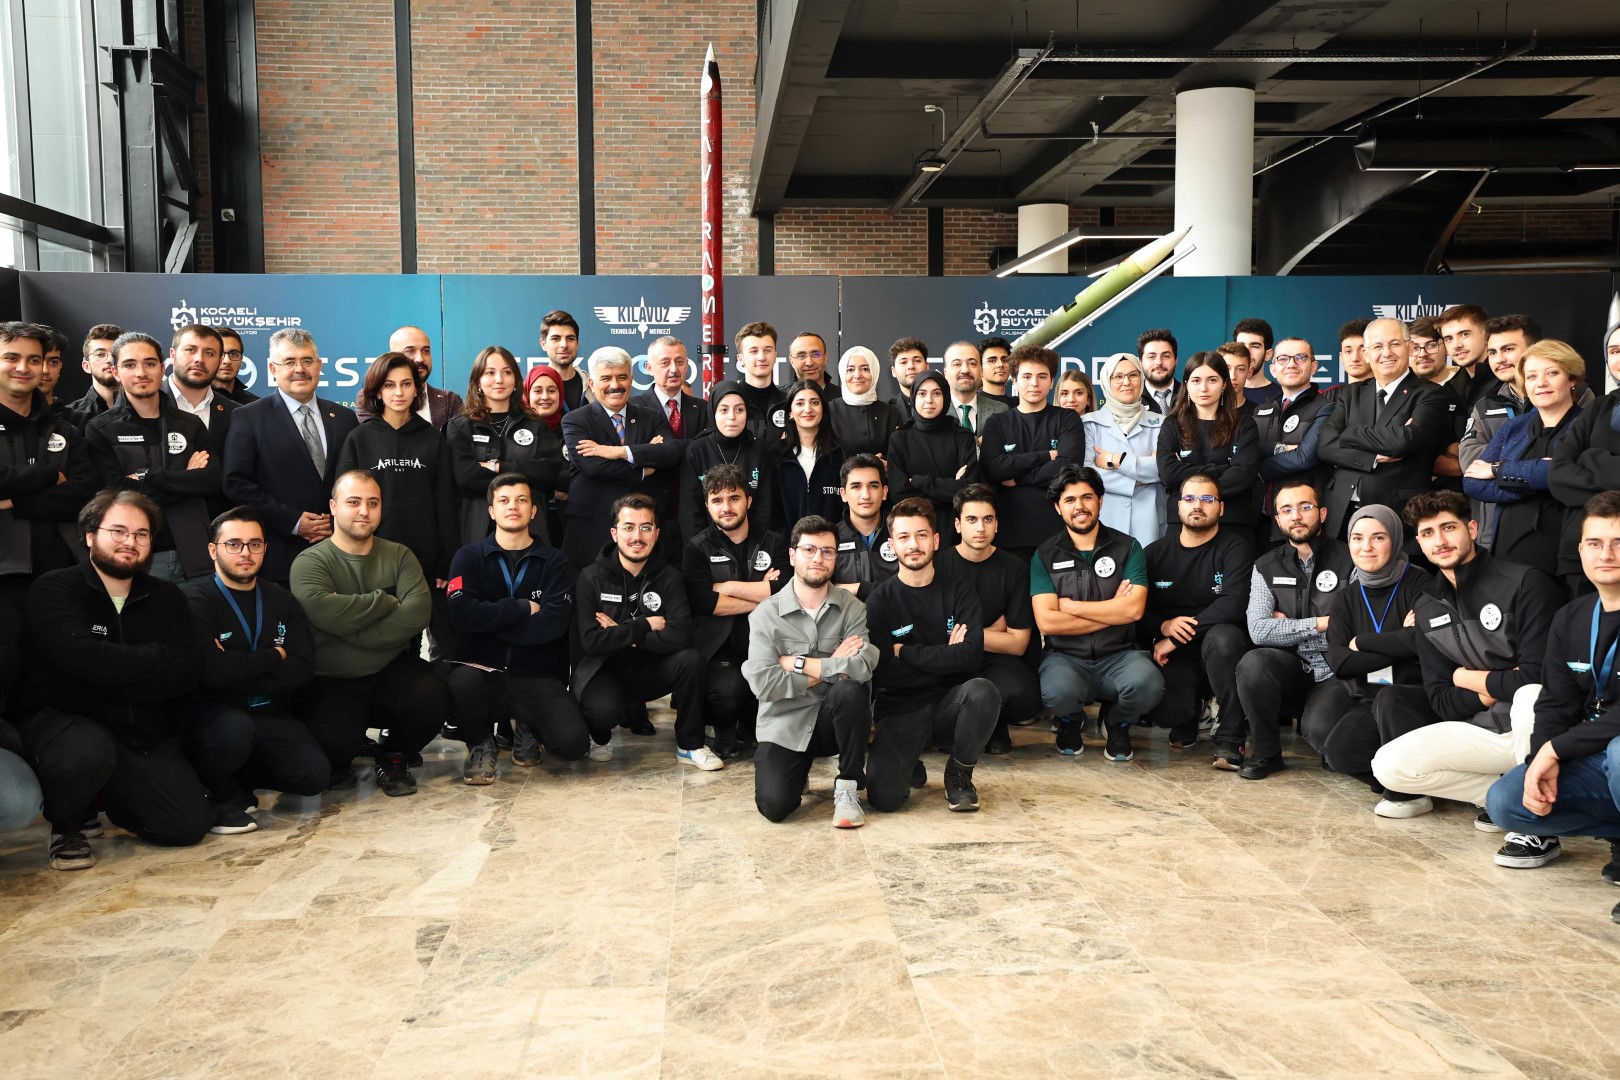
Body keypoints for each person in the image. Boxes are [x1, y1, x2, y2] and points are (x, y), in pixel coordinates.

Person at [14, 490, 211, 869]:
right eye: (118, 531)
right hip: (68, 727)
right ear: (90, 535)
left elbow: (187, 672)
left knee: (185, 827)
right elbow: (79, 661)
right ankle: (68, 823)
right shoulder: (55, 588)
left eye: (141, 534)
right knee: (85, 751)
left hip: (139, 732)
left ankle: (109, 796)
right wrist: (157, 657)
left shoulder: (168, 597)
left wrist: (106, 666)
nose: (130, 542)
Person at [1366, 491, 1560, 837]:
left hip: (1538, 731)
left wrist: (1463, 677)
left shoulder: (1525, 582)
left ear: (1471, 528)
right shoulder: (1427, 607)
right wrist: (1492, 684)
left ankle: (1532, 827)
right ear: (1419, 543)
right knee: (1389, 766)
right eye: (1428, 533)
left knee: (1529, 696)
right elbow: (1441, 699)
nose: (1439, 541)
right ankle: (1503, 797)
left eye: (1448, 528)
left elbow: (1536, 676)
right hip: (1484, 734)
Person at [1485, 491, 1620, 915]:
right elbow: (1556, 702)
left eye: (1619, 543)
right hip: (1593, 753)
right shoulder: (1572, 616)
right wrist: (1538, 761)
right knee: (1506, 802)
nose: (1607, 554)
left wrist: (1556, 749)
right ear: (1580, 551)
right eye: (1595, 543)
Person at [291, 470, 448, 795]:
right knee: (332, 749)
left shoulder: (400, 555)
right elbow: (324, 612)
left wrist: (349, 629)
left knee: (433, 694)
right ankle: (346, 752)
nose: (364, 511)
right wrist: (385, 600)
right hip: (334, 681)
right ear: (333, 507)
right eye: (354, 502)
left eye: (372, 503)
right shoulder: (309, 563)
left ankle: (393, 756)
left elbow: (417, 614)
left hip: (391, 673)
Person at [179, 507, 326, 832]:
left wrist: (236, 667)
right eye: (234, 544)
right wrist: (275, 656)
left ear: (264, 549)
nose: (245, 552)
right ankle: (217, 793)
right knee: (234, 731)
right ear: (213, 550)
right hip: (215, 714)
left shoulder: (282, 599)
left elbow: (303, 667)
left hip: (267, 710)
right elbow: (211, 672)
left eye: (254, 544)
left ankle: (241, 779)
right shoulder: (195, 601)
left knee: (313, 776)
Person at [444, 473, 586, 783]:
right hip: (481, 672)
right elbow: (460, 615)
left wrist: (489, 624)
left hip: (535, 674)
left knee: (573, 745)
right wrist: (520, 609)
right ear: (492, 511)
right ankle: (481, 743)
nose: (513, 506)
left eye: (521, 500)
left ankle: (527, 726)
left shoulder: (555, 561)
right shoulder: (468, 557)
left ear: (533, 511)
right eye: (504, 500)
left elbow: (554, 624)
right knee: (461, 681)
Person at [742, 514, 879, 826]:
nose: (818, 558)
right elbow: (764, 683)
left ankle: (848, 786)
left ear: (835, 557)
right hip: (785, 723)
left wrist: (798, 663)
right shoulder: (765, 614)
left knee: (851, 690)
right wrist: (834, 664)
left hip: (834, 722)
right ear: (792, 555)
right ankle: (796, 772)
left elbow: (863, 665)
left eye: (827, 551)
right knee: (774, 807)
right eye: (809, 550)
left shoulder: (853, 608)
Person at [864, 497, 998, 812]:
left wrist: (905, 652)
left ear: (936, 541)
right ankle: (910, 761)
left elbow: (970, 658)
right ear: (892, 546)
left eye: (921, 535)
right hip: (900, 709)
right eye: (904, 537)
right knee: (884, 800)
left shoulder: (960, 592)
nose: (913, 545)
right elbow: (883, 671)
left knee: (982, 691)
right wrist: (946, 656)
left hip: (948, 706)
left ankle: (959, 773)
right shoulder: (879, 601)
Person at [573, 493, 717, 769]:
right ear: (614, 533)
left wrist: (625, 637)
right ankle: (599, 738)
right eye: (628, 527)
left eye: (646, 527)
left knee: (691, 660)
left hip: (652, 669)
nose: (637, 537)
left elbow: (681, 635)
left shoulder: (670, 576)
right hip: (605, 671)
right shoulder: (591, 578)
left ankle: (690, 745)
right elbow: (592, 642)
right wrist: (645, 625)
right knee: (602, 711)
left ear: (657, 533)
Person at [1033, 465, 1162, 762]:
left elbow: (1134, 610)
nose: (1079, 506)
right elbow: (1047, 622)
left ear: (1100, 501)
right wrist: (1112, 609)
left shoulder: (1128, 548)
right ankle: (1070, 720)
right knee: (1056, 692)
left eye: (1087, 497)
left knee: (1149, 684)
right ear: (1058, 508)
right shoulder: (1044, 555)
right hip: (1065, 657)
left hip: (1120, 654)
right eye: (1069, 500)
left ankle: (1117, 722)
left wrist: (1072, 607)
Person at [337, 352, 460, 660]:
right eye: (389, 385)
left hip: (424, 562)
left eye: (406, 384)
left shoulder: (433, 439)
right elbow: (345, 506)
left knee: (432, 647)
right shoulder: (359, 438)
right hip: (371, 560)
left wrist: (446, 562)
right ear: (377, 391)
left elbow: (445, 503)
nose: (399, 392)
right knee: (382, 648)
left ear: (417, 390)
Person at [0, 322, 96, 708]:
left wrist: (15, 502)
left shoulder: (67, 429)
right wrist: (48, 476)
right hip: (3, 578)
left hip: (59, 575)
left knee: (55, 685)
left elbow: (84, 493)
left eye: (34, 359)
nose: (24, 367)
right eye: (11, 357)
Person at [1233, 481, 1356, 779]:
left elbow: (1354, 625)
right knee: (1254, 663)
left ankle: (1329, 736)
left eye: (1305, 507)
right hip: (1294, 667)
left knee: (1323, 736)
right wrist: (1321, 622)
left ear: (1322, 513)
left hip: (1337, 672)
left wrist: (1285, 625)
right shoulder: (1265, 566)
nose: (1296, 516)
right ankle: (1266, 754)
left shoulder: (1352, 559)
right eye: (1286, 510)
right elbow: (1259, 630)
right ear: (1277, 520)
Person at [222, 327, 359, 583]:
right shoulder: (248, 417)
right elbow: (236, 483)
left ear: (319, 366)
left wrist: (337, 521)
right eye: (289, 362)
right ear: (272, 369)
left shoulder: (345, 418)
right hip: (279, 555)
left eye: (307, 360)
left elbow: (356, 479)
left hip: (340, 553)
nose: (300, 369)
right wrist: (293, 521)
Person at [85, 331, 220, 581]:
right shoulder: (101, 428)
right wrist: (185, 479)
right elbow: (114, 492)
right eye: (129, 365)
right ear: (115, 372)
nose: (141, 372)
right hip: (135, 557)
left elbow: (211, 481)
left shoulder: (190, 424)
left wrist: (147, 476)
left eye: (149, 363)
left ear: (162, 367)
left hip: (195, 553)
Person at [1143, 474, 1253, 765]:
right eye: (1190, 498)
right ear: (1178, 506)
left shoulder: (1236, 548)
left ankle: (1231, 736)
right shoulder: (1154, 553)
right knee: (1167, 712)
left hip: (1220, 648)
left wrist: (1175, 638)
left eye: (1207, 499)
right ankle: (1191, 713)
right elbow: (1137, 612)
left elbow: (1233, 603)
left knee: (1223, 638)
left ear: (1221, 508)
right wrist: (1164, 627)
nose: (1198, 505)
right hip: (1176, 654)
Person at [1320, 504, 1432, 790]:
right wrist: (1401, 640)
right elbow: (1341, 663)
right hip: (1371, 699)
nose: (1366, 547)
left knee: (1390, 698)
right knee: (1338, 752)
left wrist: (1361, 642)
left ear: (1395, 539)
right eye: (1357, 538)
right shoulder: (1346, 597)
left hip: (1418, 697)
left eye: (1378, 537)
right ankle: (1398, 784)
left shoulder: (1420, 582)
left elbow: (1421, 642)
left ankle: (1406, 791)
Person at [682, 464, 789, 758]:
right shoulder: (696, 548)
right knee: (727, 694)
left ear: (748, 501)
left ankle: (747, 726)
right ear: (707, 505)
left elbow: (785, 592)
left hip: (771, 647)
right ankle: (724, 725)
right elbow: (704, 603)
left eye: (734, 498)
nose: (726, 507)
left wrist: (727, 586)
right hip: (721, 651)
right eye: (717, 500)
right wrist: (761, 593)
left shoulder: (775, 542)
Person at [1318, 318, 1452, 540]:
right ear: (1367, 354)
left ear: (1410, 348)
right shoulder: (1350, 393)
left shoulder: (1431, 394)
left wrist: (1350, 432)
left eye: (1394, 344)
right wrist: (1371, 458)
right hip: (1340, 511)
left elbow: (1404, 441)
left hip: (1397, 511)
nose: (1386, 353)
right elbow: (1325, 446)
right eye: (1378, 346)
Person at [1462, 339, 1585, 572]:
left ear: (1572, 379)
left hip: (1567, 548)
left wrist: (1498, 470)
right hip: (1508, 547)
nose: (1541, 383)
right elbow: (1472, 483)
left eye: (1552, 373)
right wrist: (1534, 483)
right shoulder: (1514, 426)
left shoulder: (1589, 424)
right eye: (1531, 376)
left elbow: (1567, 472)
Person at [559, 346, 680, 569]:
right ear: (591, 383)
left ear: (631, 380)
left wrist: (620, 452)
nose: (615, 385)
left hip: (644, 536)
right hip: (592, 533)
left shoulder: (651, 417)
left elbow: (670, 453)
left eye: (622, 377)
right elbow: (593, 467)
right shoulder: (575, 420)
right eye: (606, 378)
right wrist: (644, 468)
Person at [939, 485, 1040, 752]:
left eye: (987, 519)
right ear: (958, 525)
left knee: (1025, 694)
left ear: (997, 524)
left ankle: (993, 721)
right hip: (949, 659)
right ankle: (963, 727)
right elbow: (934, 635)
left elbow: (1018, 643)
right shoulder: (938, 565)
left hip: (994, 661)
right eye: (972, 519)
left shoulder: (1014, 568)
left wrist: (966, 635)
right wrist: (990, 633)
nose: (980, 528)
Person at [446, 346, 561, 547]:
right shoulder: (460, 426)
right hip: (475, 532)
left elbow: (548, 472)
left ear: (516, 380)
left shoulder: (535, 424)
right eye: (490, 373)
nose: (499, 379)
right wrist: (524, 473)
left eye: (507, 372)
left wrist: (495, 466)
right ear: (478, 381)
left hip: (530, 533)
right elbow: (466, 477)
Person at [980, 344, 1084, 555]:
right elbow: (993, 469)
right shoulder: (997, 423)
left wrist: (1019, 478)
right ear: (1015, 380)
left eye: (1042, 376)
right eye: (1027, 376)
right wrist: (1046, 456)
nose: (1034, 383)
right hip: (1009, 535)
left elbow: (1068, 466)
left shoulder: (1066, 418)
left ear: (1052, 381)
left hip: (1058, 534)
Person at [1459, 314, 1548, 547]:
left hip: (1550, 527)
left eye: (1508, 349)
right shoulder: (1484, 405)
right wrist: (1532, 467)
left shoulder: (1570, 396)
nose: (1499, 359)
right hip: (1494, 533)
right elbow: (1469, 464)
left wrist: (1494, 467)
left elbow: (1564, 464)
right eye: (1492, 352)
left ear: (1534, 349)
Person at [1156, 351, 1260, 545]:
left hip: (1233, 522)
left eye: (1212, 380)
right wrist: (1222, 468)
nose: (1203, 388)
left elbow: (1243, 475)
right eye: (1196, 381)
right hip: (1183, 524)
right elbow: (1168, 473)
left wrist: (1188, 472)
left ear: (1224, 384)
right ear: (1186, 385)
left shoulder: (1244, 424)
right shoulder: (1172, 425)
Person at [1550, 324, 1620, 592]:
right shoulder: (1599, 406)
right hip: (1580, 554)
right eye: (1614, 351)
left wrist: (1590, 457)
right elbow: (1558, 475)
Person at [886, 369, 980, 545]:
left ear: (945, 396)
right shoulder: (900, 438)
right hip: (914, 532)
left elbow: (968, 491)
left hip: (955, 531)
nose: (929, 400)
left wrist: (918, 482)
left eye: (936, 393)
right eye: (922, 394)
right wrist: (950, 488)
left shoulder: (962, 437)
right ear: (913, 397)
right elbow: (899, 494)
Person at [1254, 336, 1335, 535]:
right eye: (1283, 359)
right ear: (1273, 369)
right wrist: (1277, 449)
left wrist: (1258, 468)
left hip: (1302, 520)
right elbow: (1247, 450)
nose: (1291, 364)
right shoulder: (1260, 410)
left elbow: (1304, 457)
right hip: (1258, 519)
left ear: (1313, 366)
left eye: (1300, 357)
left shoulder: (1327, 408)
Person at [1082, 352, 1164, 540]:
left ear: (1142, 379)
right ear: (1107, 382)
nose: (1126, 382)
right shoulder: (1088, 424)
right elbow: (1088, 474)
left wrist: (1115, 461)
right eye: (1118, 376)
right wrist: (1139, 478)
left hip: (1150, 522)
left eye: (1133, 375)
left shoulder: (1161, 423)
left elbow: (1163, 469)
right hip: (1104, 517)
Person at [679, 380, 772, 540]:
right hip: (706, 546)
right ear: (713, 412)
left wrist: (754, 547)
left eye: (739, 410)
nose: (732, 417)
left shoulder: (760, 451)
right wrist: (702, 549)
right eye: (724, 410)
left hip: (753, 544)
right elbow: (690, 512)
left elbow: (765, 508)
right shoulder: (697, 450)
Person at [771, 379, 844, 531]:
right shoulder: (775, 455)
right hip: (787, 544)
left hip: (832, 542)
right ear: (790, 413)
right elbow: (771, 509)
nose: (807, 409)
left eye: (814, 402)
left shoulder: (842, 453)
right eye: (800, 403)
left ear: (823, 409)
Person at [160, 324, 238, 463]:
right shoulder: (147, 404)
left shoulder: (234, 413)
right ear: (172, 355)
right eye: (190, 350)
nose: (199, 359)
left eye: (209, 353)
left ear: (220, 361)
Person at [833, 453, 898, 599]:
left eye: (873, 486)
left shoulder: (902, 534)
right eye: (856, 486)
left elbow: (913, 587)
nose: (866, 495)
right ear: (843, 494)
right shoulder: (831, 539)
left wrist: (859, 588)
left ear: (884, 492)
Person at [375, 325, 464, 429]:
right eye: (410, 351)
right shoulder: (369, 401)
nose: (420, 359)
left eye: (426, 351)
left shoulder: (450, 401)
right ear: (391, 357)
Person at [523, 364, 571, 547]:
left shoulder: (573, 428)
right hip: (529, 524)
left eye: (552, 390)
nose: (545, 397)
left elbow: (578, 475)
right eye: (537, 391)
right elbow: (517, 472)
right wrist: (552, 490)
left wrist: (540, 480)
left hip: (570, 523)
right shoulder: (517, 431)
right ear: (527, 394)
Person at [826, 346, 902, 457]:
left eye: (865, 369)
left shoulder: (890, 413)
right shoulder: (829, 411)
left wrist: (885, 463)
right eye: (850, 370)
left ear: (875, 372)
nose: (857, 375)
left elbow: (899, 455)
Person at [734, 320, 788, 443]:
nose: (761, 357)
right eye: (754, 351)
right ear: (740, 359)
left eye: (767, 350)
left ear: (775, 355)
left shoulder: (790, 403)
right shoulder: (730, 404)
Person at [943, 340, 1006, 435]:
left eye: (972, 363)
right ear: (946, 373)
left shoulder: (1000, 410)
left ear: (981, 371)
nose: (965, 370)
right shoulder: (935, 410)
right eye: (957, 364)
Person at [68, 322, 122, 424]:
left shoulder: (147, 410)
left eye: (116, 354)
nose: (110, 360)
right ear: (86, 366)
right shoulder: (70, 417)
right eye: (100, 354)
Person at [539, 310, 587, 412]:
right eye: (556, 339)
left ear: (577, 343)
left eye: (570, 338)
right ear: (543, 344)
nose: (564, 345)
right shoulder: (531, 389)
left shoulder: (592, 387)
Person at [1234, 317, 1281, 404]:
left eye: (1255, 346)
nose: (1247, 352)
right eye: (1241, 346)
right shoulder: (1221, 393)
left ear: (1268, 355)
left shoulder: (1281, 396)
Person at [1139, 328, 1181, 415]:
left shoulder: (1191, 396)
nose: (1159, 362)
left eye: (1166, 356)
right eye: (1151, 357)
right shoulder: (1133, 399)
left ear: (1176, 360)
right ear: (1140, 362)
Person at [213, 326, 259, 405]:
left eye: (234, 354)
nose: (227, 361)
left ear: (241, 360)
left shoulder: (255, 405)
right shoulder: (194, 401)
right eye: (220, 353)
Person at [889, 336, 929, 408]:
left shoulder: (943, 407)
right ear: (893, 371)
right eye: (904, 362)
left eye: (917, 361)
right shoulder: (886, 411)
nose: (911, 366)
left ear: (927, 366)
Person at [1339, 319, 1371, 384]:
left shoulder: (1389, 390)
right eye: (1348, 351)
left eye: (1363, 351)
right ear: (1341, 357)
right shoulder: (1331, 391)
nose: (1355, 358)